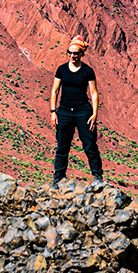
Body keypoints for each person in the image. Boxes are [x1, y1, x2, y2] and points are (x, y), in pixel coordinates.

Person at [49, 34, 103, 189]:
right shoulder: (61, 70)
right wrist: (53, 112)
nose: (72, 55)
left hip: (83, 111)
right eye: (70, 52)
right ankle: (58, 178)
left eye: (75, 53)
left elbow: (93, 92)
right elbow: (54, 90)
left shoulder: (87, 71)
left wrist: (94, 113)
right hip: (64, 111)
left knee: (89, 144)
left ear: (81, 54)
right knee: (62, 146)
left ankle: (97, 177)